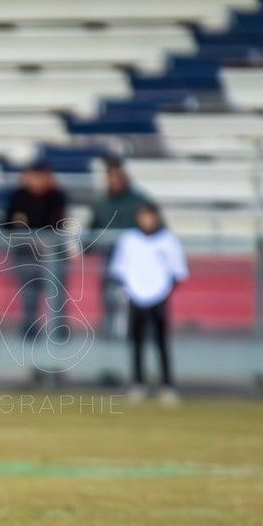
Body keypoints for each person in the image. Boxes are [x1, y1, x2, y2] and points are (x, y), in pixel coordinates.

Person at [108, 201, 188, 403]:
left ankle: (166, 384)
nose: (147, 220)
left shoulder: (168, 241)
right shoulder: (129, 239)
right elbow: (119, 269)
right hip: (135, 296)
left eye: (150, 216)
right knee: (136, 341)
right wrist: (128, 290)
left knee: (161, 342)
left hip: (159, 297)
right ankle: (138, 382)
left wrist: (163, 291)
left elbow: (177, 272)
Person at [0, 161, 69, 341]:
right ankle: (30, 328)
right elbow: (7, 224)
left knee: (56, 293)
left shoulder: (56, 196)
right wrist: (25, 236)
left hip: (53, 255)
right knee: (29, 293)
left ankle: (58, 331)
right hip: (25, 254)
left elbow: (58, 224)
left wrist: (41, 240)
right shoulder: (18, 196)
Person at [87, 159, 150, 339]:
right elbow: (93, 227)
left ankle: (137, 330)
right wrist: (87, 246)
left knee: (136, 293)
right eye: (110, 176)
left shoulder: (138, 200)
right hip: (109, 255)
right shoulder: (100, 201)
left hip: (135, 257)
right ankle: (109, 329)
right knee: (108, 293)